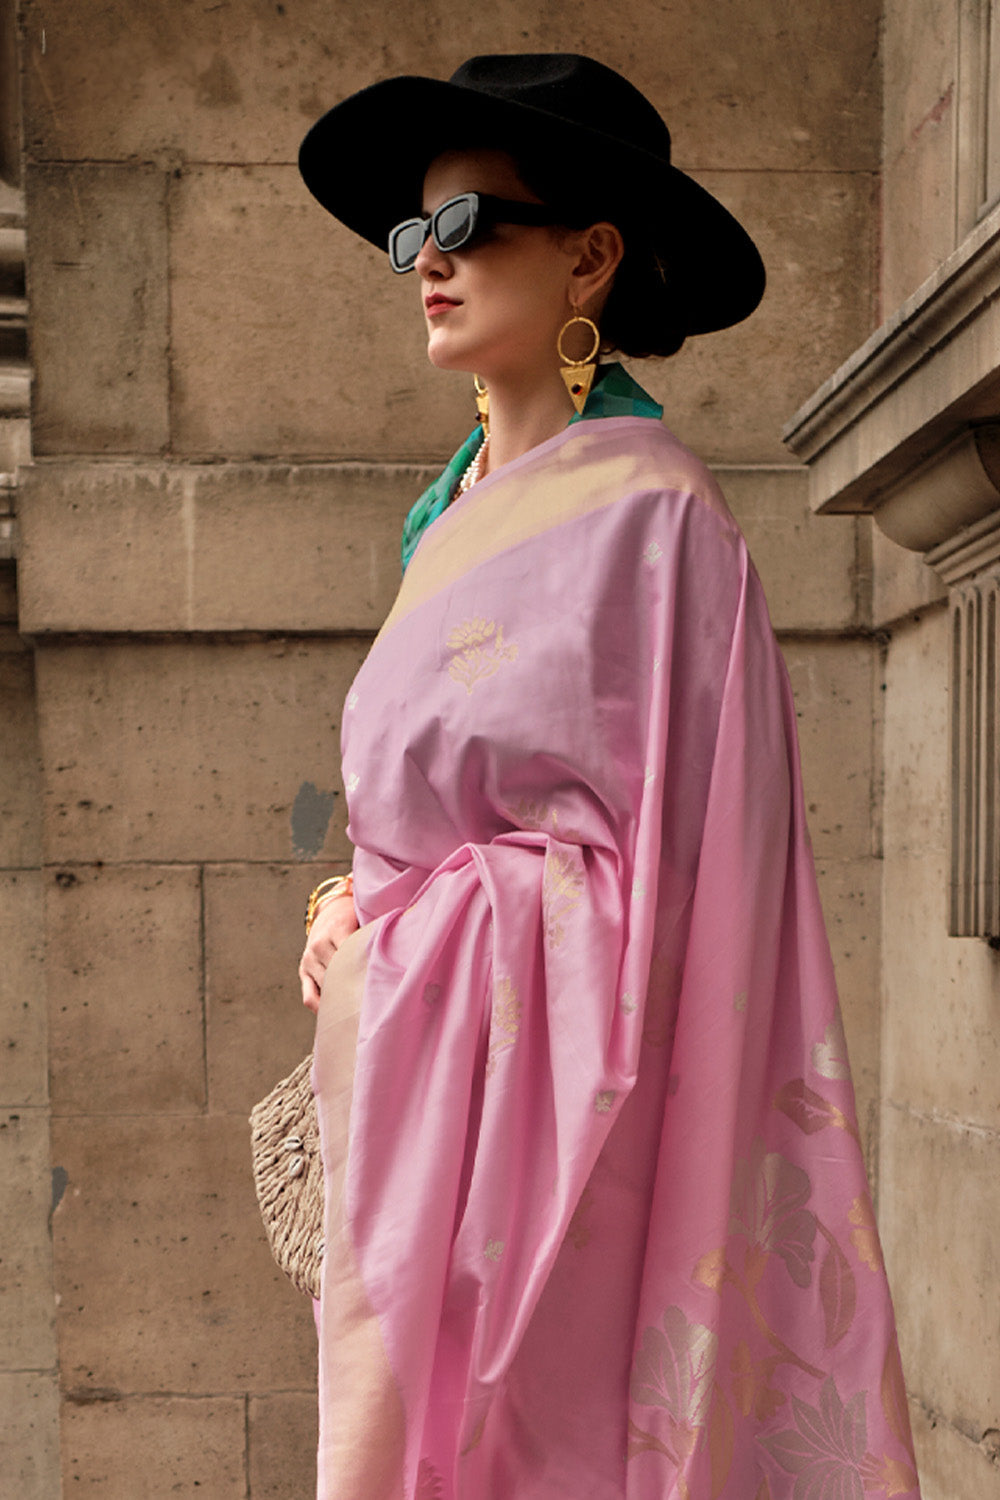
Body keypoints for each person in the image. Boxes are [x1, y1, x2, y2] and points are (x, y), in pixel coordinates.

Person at [294, 54, 921, 1500]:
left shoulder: (659, 522)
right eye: (415, 235)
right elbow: (424, 815)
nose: (429, 266)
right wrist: (343, 901)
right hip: (418, 1118)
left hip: (573, 1146)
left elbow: (687, 892)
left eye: (471, 229)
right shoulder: (440, 517)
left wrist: (406, 943)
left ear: (589, 254)